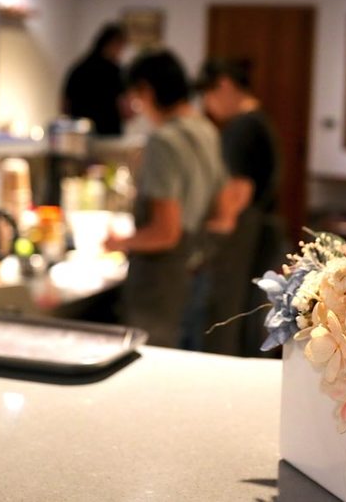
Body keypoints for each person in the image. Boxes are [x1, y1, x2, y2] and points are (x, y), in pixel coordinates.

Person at [104, 50, 226, 348]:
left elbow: (165, 232)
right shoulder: (207, 129)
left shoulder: (163, 141)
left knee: (148, 362)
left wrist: (119, 242)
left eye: (136, 97)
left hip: (160, 283)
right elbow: (221, 211)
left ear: (146, 90)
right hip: (195, 271)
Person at [195, 58, 284, 356]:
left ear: (223, 85)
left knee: (227, 313)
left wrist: (217, 226)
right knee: (247, 312)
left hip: (245, 228)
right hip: (262, 226)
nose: (207, 105)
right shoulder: (259, 121)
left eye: (207, 95)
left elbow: (239, 191)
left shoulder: (242, 127)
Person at [62, 23, 128, 135]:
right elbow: (123, 105)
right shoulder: (113, 71)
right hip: (108, 131)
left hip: (80, 132)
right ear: (112, 43)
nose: (121, 52)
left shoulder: (80, 67)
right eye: (121, 47)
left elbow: (65, 104)